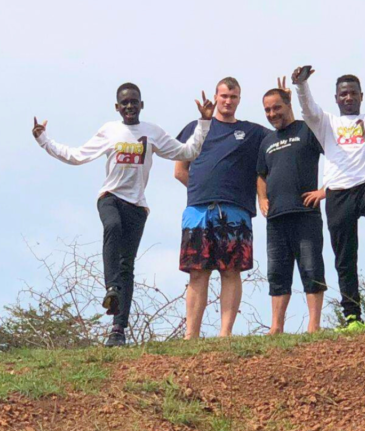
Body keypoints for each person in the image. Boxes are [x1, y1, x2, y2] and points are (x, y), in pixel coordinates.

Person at [33, 83, 213, 346]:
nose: (130, 107)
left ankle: (118, 330)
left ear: (142, 105)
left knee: (127, 265)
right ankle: (111, 288)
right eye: (124, 103)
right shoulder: (110, 131)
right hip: (110, 197)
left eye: (134, 102)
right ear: (117, 107)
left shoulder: (152, 132)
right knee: (112, 228)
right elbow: (76, 156)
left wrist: (205, 122)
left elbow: (188, 152)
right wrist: (43, 140)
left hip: (137, 206)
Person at [292, 53, 365, 333]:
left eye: (353, 93)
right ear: (337, 98)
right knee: (344, 256)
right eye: (343, 94)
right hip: (338, 193)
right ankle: (353, 317)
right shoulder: (327, 123)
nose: (348, 97)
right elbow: (308, 111)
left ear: (361, 96)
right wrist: (301, 85)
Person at [174, 77, 269, 339]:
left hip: (235, 211)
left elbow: (282, 136)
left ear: (239, 99)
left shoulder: (252, 132)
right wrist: (203, 189)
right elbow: (180, 170)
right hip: (198, 211)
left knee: (231, 271)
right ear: (216, 97)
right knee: (197, 272)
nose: (228, 101)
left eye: (234, 96)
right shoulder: (196, 127)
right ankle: (190, 335)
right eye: (224, 96)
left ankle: (225, 333)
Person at [256, 77, 327, 334]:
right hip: (276, 217)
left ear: (288, 105)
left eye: (277, 107)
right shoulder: (266, 141)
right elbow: (261, 175)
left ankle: (313, 325)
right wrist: (262, 199)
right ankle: (276, 327)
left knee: (310, 267)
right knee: (276, 271)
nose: (272, 113)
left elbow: (336, 157)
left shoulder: (308, 130)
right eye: (267, 110)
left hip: (305, 213)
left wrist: (324, 190)